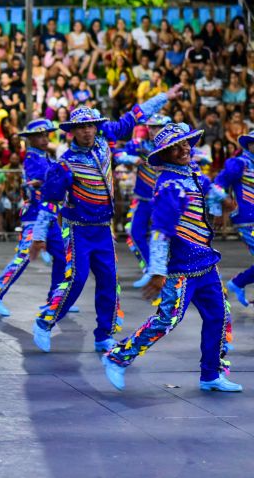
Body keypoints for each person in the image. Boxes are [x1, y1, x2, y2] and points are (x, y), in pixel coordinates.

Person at [29, 86, 180, 353]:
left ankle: (103, 334)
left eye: (92, 126)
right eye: (82, 127)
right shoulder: (65, 164)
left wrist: (165, 97)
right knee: (76, 279)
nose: (88, 131)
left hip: (103, 230)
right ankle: (44, 322)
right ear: (72, 131)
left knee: (109, 280)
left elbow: (134, 115)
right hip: (78, 230)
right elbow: (49, 200)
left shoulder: (104, 139)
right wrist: (39, 236)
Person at [103, 123, 240, 393]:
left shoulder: (192, 174)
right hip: (181, 269)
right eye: (175, 147)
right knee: (167, 319)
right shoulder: (169, 186)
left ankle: (211, 374)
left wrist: (223, 201)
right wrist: (157, 270)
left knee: (219, 316)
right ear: (164, 154)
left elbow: (208, 187)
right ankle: (118, 357)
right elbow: (161, 232)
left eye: (186, 143)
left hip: (206, 264)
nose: (184, 149)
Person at [0, 119, 75, 317]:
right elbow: (45, 180)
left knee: (62, 256)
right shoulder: (32, 158)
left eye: (45, 135)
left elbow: (51, 180)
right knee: (23, 257)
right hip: (34, 217)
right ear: (30, 139)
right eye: (39, 136)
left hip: (49, 216)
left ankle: (55, 300)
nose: (43, 139)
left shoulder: (46, 157)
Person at [113, 114, 171, 288]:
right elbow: (117, 154)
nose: (153, 131)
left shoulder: (174, 147)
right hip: (143, 198)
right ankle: (149, 268)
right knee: (133, 232)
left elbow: (199, 157)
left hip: (166, 201)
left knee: (167, 236)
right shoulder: (140, 145)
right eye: (151, 127)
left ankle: (169, 273)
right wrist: (131, 159)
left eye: (157, 127)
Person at [214, 132, 254, 307]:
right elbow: (218, 185)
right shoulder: (240, 163)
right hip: (247, 220)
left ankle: (238, 283)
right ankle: (238, 282)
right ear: (248, 145)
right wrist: (217, 209)